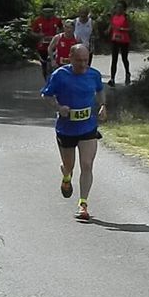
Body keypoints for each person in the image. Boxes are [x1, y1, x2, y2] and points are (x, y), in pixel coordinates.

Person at [41, 44, 107, 220]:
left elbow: (100, 91)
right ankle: (66, 176)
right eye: (79, 61)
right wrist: (58, 107)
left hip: (88, 127)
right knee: (69, 165)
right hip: (66, 128)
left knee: (87, 164)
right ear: (70, 58)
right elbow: (46, 95)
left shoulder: (94, 74)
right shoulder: (60, 75)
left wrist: (102, 106)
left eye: (86, 60)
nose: (83, 64)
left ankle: (83, 204)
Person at [30, 3, 63, 81]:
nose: (48, 14)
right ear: (42, 12)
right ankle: (47, 82)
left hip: (55, 47)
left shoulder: (57, 20)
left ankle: (56, 82)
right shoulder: (38, 21)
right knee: (44, 66)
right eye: (46, 12)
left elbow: (62, 30)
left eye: (50, 12)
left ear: (53, 12)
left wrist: (58, 35)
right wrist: (39, 35)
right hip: (42, 47)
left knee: (56, 65)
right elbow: (31, 32)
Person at [105, 0, 131, 87]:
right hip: (115, 40)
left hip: (124, 40)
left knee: (124, 58)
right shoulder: (113, 17)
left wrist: (122, 29)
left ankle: (127, 73)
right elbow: (111, 26)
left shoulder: (126, 17)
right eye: (117, 7)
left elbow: (130, 28)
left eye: (120, 8)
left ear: (124, 9)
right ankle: (112, 79)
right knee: (114, 59)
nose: (118, 9)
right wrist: (107, 31)